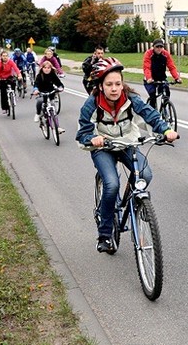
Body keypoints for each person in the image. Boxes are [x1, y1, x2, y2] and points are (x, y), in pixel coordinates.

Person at [76, 57, 179, 253]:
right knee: (112, 184)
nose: (114, 88)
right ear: (100, 86)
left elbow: (151, 115)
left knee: (145, 174)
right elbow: (82, 134)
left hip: (127, 143)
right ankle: (105, 234)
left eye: (118, 83)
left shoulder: (131, 98)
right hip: (103, 148)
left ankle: (136, 204)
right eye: (109, 84)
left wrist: (166, 131)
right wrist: (93, 139)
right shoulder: (91, 104)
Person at [143, 38, 181, 108]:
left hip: (161, 78)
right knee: (153, 96)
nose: (159, 48)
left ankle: (165, 108)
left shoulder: (165, 54)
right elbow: (147, 68)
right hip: (150, 79)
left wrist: (177, 77)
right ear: (153, 47)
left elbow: (171, 67)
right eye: (157, 47)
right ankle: (152, 114)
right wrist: (149, 78)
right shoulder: (148, 54)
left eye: (161, 47)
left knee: (167, 91)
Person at [32, 60, 65, 133]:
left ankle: (57, 127)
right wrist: (36, 90)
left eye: (48, 68)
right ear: (42, 68)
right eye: (45, 68)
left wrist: (60, 87)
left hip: (50, 93)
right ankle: (37, 114)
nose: (46, 69)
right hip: (41, 93)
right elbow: (36, 84)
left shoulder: (53, 75)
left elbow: (59, 83)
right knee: (39, 101)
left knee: (53, 109)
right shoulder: (40, 76)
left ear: (51, 68)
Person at [0, 50, 23, 114]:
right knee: (3, 93)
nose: (5, 57)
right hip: (1, 78)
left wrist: (19, 75)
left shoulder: (10, 61)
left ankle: (13, 95)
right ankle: (4, 108)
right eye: (3, 56)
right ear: (1, 56)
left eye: (6, 56)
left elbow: (16, 69)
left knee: (13, 85)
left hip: (9, 77)